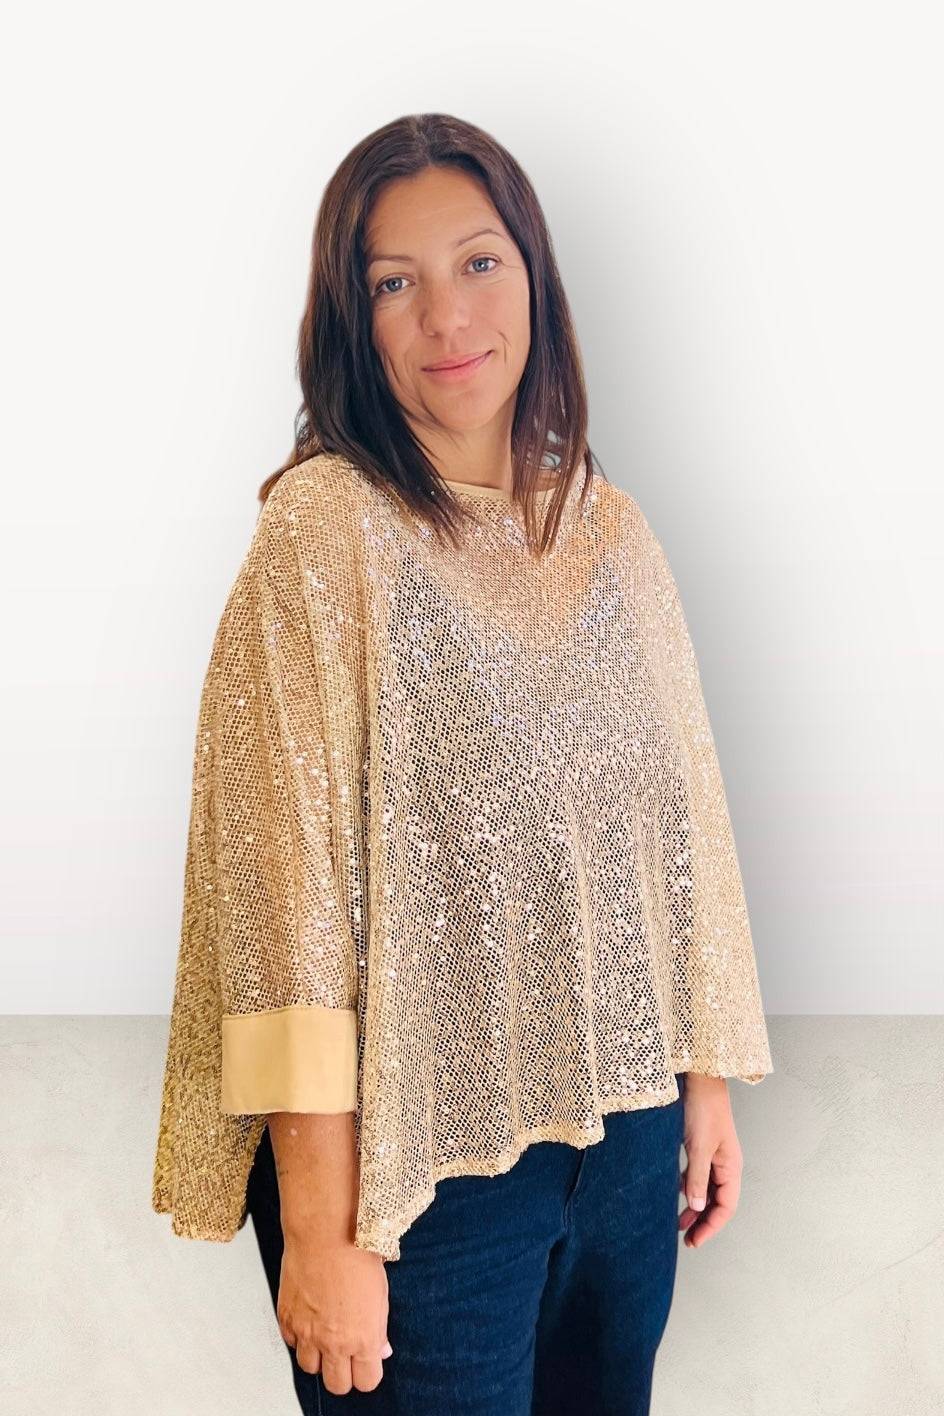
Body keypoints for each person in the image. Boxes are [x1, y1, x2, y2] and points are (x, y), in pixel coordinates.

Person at [152, 112, 773, 1416]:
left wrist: (705, 1082)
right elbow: (280, 903)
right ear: (352, 319)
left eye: (479, 262)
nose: (447, 314)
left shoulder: (606, 528)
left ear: (535, 278)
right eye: (395, 282)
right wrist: (320, 1230)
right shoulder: (326, 534)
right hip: (416, 1170)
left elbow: (679, 826)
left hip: (627, 1129)